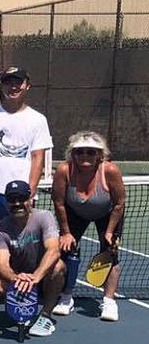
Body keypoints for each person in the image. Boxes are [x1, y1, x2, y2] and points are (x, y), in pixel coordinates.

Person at [0, 66, 52, 283]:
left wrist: (30, 193)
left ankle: (18, 287)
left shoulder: (37, 120)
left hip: (19, 197)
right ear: (2, 86)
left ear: (27, 85)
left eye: (18, 82)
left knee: (18, 245)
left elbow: (37, 158)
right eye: (8, 82)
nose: (13, 87)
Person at [51, 131, 125, 321]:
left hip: (107, 213)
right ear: (72, 154)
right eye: (80, 151)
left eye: (91, 152)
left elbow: (119, 204)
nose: (85, 155)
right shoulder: (64, 170)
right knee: (67, 252)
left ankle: (109, 302)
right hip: (74, 212)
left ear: (100, 155)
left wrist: (110, 232)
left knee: (110, 252)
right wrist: (66, 232)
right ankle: (66, 297)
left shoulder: (110, 171)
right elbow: (59, 203)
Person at [0, 180, 65, 337]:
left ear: (30, 199)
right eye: (12, 199)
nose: (17, 203)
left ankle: (45, 315)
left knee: (58, 266)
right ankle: (22, 307)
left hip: (41, 277)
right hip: (19, 278)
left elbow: (53, 250)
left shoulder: (44, 217)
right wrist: (15, 277)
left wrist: (36, 277)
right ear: (6, 202)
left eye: (21, 198)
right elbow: (2, 263)